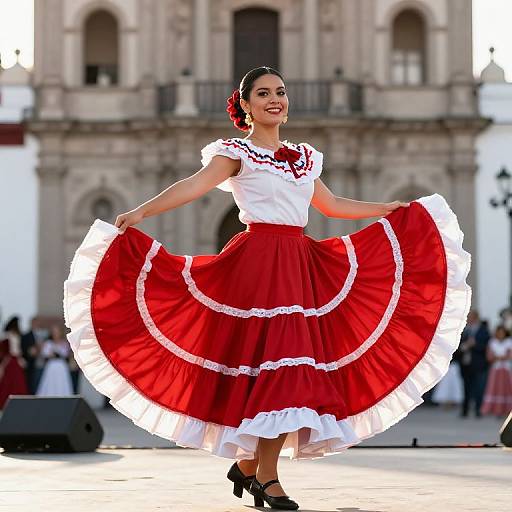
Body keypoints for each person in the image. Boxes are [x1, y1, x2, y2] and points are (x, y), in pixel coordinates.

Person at [63, 67, 471, 510]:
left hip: (299, 265)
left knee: (286, 372)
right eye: (263, 94)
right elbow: (193, 186)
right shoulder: (236, 153)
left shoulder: (302, 158)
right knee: (277, 368)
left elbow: (331, 206)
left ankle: (253, 468)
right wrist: (141, 213)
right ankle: (265, 476)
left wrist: (387, 209)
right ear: (245, 105)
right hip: (258, 268)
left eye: (280, 92)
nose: (275, 99)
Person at [454, 310, 491, 418]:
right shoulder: (464, 330)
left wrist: (475, 344)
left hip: (479, 365)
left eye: (470, 317)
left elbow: (486, 346)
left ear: (475, 318)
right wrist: (463, 347)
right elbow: (458, 345)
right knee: (466, 388)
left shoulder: (483, 331)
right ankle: (464, 410)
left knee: (479, 388)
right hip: (465, 364)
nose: (469, 319)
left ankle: (478, 410)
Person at [480, 324, 512, 417]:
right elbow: (489, 356)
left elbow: (510, 355)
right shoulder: (492, 342)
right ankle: (494, 408)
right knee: (494, 387)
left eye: (502, 332)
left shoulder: (509, 342)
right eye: (499, 332)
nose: (500, 334)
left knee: (506, 388)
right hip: (495, 368)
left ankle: (507, 409)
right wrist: (496, 358)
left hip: (506, 369)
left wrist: (501, 357)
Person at [36, 325, 74, 396]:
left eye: (57, 332)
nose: (55, 334)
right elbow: (45, 354)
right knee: (51, 382)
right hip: (51, 366)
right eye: (54, 332)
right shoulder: (48, 343)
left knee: (61, 382)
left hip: (61, 366)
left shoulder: (64, 343)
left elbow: (66, 354)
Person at [0, 317, 28, 409]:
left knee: (14, 382)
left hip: (14, 361)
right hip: (12, 361)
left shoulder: (12, 335)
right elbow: (9, 351)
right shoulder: (9, 336)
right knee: (13, 382)